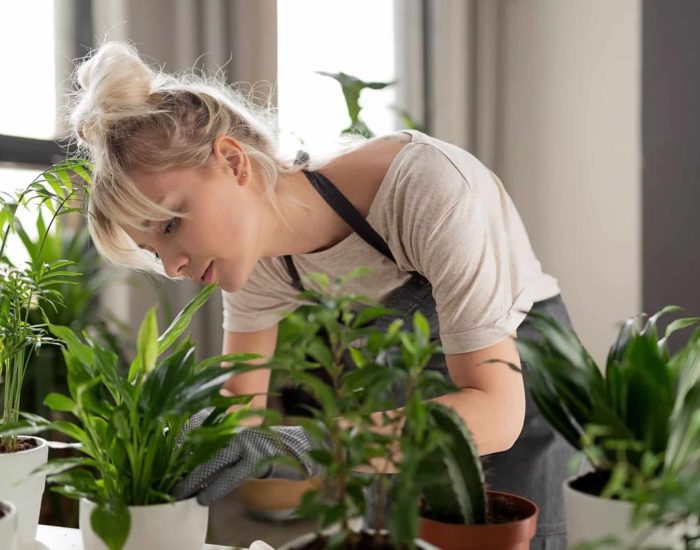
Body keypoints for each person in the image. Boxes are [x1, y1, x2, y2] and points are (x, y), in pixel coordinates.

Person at [71, 41, 577, 549]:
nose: (175, 266)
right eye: (154, 251)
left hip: (515, 390)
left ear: (231, 161)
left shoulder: (427, 189)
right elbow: (240, 411)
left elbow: (496, 411)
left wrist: (305, 445)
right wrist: (179, 438)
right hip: (404, 398)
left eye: (171, 223)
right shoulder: (256, 263)